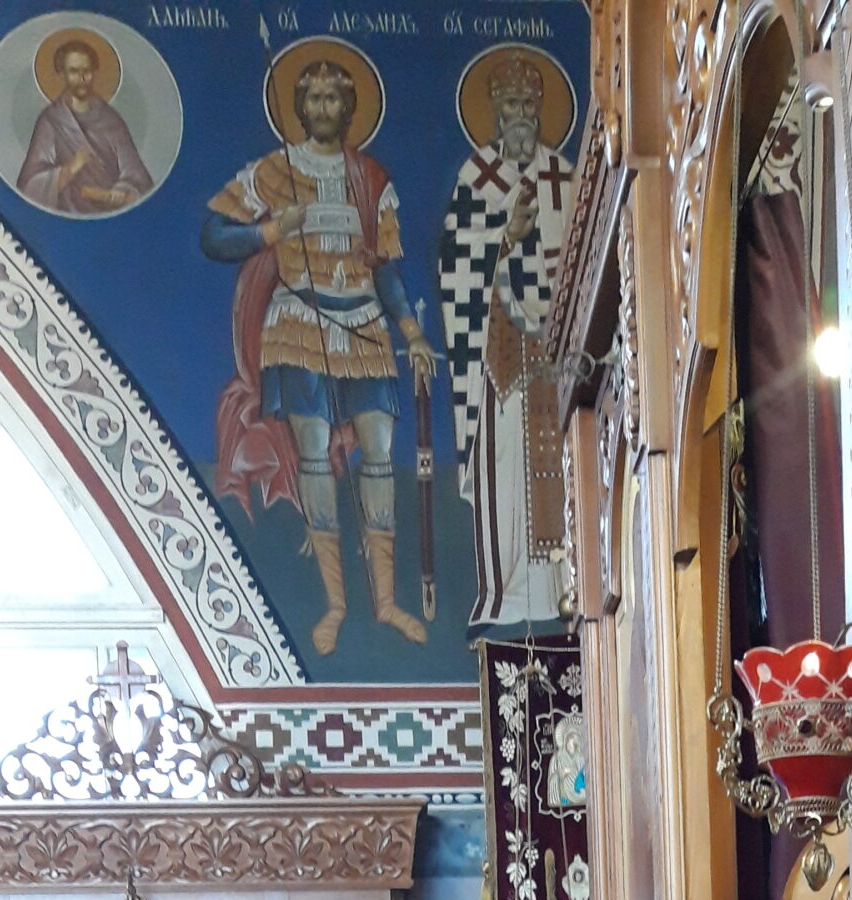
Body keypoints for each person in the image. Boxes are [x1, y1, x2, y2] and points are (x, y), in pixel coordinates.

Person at [202, 55, 436, 653]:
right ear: (300, 109)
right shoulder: (274, 172)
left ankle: (386, 602)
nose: (324, 108)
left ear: (349, 109)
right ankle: (335, 605)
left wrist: (411, 334)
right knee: (312, 454)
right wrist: (272, 230)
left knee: (378, 453)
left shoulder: (371, 179)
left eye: (334, 99)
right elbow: (214, 236)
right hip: (298, 323)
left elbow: (386, 270)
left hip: (363, 323)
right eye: (314, 99)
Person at [440, 50, 574, 626]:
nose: (520, 115)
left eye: (528, 103)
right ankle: (506, 593)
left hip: (555, 355)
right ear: (495, 112)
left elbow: (585, 259)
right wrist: (505, 235)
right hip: (499, 356)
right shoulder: (478, 178)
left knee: (563, 468)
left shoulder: (565, 177)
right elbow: (455, 264)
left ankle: (568, 592)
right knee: (505, 470)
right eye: (510, 104)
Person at [17, 38, 153, 216]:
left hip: (110, 216)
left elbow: (137, 176)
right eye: (74, 72)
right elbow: (29, 185)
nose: (81, 78)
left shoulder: (111, 120)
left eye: (86, 71)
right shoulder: (50, 121)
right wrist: (71, 169)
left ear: (94, 73)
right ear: (62, 75)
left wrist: (118, 193)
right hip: (63, 218)